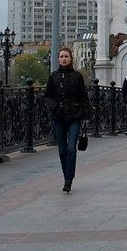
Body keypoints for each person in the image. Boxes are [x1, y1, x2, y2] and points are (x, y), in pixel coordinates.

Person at [44, 46, 92, 192]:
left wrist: (87, 116)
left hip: (74, 116)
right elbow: (47, 95)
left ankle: (68, 179)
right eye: (61, 57)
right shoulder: (54, 76)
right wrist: (54, 106)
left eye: (66, 56)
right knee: (62, 150)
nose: (63, 59)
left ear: (71, 58)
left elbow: (83, 96)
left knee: (71, 148)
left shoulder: (77, 76)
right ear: (58, 59)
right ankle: (66, 176)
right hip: (58, 116)